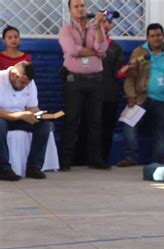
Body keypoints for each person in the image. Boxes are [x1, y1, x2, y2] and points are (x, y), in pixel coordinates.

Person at [116, 23, 164, 166]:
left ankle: (155, 164)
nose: (156, 38)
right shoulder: (139, 53)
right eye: (152, 36)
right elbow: (130, 77)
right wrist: (130, 95)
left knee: (161, 134)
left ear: (163, 36)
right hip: (140, 98)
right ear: (147, 37)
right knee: (129, 125)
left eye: (158, 35)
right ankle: (130, 158)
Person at [58, 0, 110, 171]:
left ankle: (95, 159)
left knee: (96, 122)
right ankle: (66, 160)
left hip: (95, 80)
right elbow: (71, 50)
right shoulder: (65, 30)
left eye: (82, 5)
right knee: (72, 120)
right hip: (74, 81)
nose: (80, 9)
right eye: (76, 6)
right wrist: (95, 52)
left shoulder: (96, 26)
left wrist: (97, 27)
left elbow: (102, 48)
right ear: (70, 10)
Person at [74, 16, 124, 164]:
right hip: (87, 93)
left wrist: (126, 70)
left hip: (109, 94)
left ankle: (101, 158)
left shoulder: (115, 48)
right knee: (85, 126)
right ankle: (80, 159)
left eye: (109, 22)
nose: (107, 25)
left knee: (106, 128)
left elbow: (117, 72)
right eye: (103, 21)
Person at [0, 61, 52, 181]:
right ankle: (3, 169)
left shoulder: (29, 83)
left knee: (45, 126)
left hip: (20, 117)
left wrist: (40, 116)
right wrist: (20, 115)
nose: (24, 86)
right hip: (3, 117)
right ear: (13, 75)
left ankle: (34, 167)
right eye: (22, 82)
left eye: (27, 84)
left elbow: (32, 107)